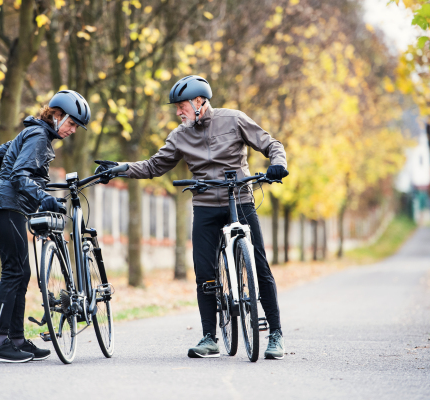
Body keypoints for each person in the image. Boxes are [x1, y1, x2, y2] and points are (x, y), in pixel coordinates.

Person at [95, 75, 288, 359]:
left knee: (260, 266)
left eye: (181, 105)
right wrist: (120, 168)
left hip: (241, 199)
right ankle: (210, 336)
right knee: (204, 274)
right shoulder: (179, 135)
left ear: (200, 102)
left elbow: (272, 145)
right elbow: (154, 166)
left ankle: (275, 334)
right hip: (206, 205)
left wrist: (278, 164)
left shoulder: (234, 119)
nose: (177, 112)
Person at [0, 90, 91, 363]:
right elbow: (19, 173)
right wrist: (43, 197)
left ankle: (17, 340)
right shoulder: (39, 136)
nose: (73, 130)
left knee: (22, 271)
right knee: (14, 270)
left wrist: (13, 181)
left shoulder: (33, 133)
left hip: (10, 206)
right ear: (57, 116)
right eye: (71, 124)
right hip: (8, 207)